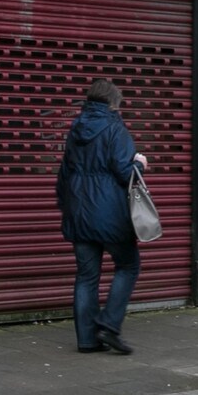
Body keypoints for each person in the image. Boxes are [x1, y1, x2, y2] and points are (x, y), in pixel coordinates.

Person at [55, 78, 147, 354]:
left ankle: (87, 340)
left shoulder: (76, 128)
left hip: (78, 210)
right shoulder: (114, 128)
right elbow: (124, 172)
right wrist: (140, 164)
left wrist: (66, 206)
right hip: (109, 212)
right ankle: (108, 325)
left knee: (86, 275)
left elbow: (64, 173)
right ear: (112, 102)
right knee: (128, 266)